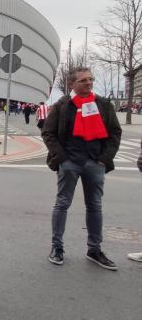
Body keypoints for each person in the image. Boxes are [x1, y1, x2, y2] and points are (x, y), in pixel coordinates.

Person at [42, 67, 122, 270]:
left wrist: (105, 159)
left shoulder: (103, 104)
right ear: (72, 84)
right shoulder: (63, 105)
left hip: (95, 163)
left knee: (95, 206)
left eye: (91, 79)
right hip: (70, 162)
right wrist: (61, 158)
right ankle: (57, 247)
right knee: (62, 204)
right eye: (83, 80)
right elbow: (48, 132)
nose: (89, 83)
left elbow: (115, 132)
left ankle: (94, 249)